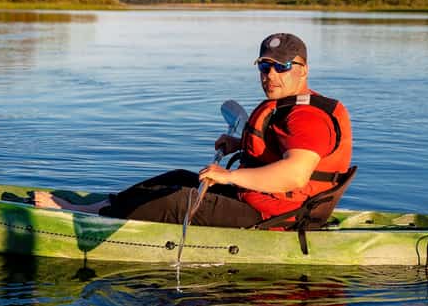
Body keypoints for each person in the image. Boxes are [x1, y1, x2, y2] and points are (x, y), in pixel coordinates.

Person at [32, 33, 353, 229]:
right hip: (258, 200)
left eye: (281, 67)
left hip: (278, 219)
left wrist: (228, 177)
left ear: (303, 70)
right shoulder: (287, 106)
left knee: (179, 201)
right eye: (264, 66)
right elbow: (278, 150)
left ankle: (87, 220)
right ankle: (94, 209)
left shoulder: (307, 118)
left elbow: (295, 175)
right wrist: (239, 143)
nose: (270, 75)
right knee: (181, 178)